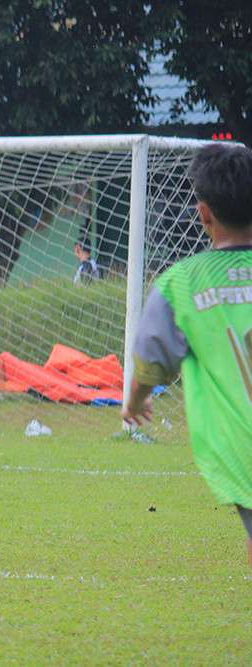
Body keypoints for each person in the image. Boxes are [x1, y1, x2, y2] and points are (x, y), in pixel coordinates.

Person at [121, 142, 252, 570]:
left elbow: (152, 362)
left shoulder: (183, 283)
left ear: (204, 213)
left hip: (242, 445)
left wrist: (135, 401)